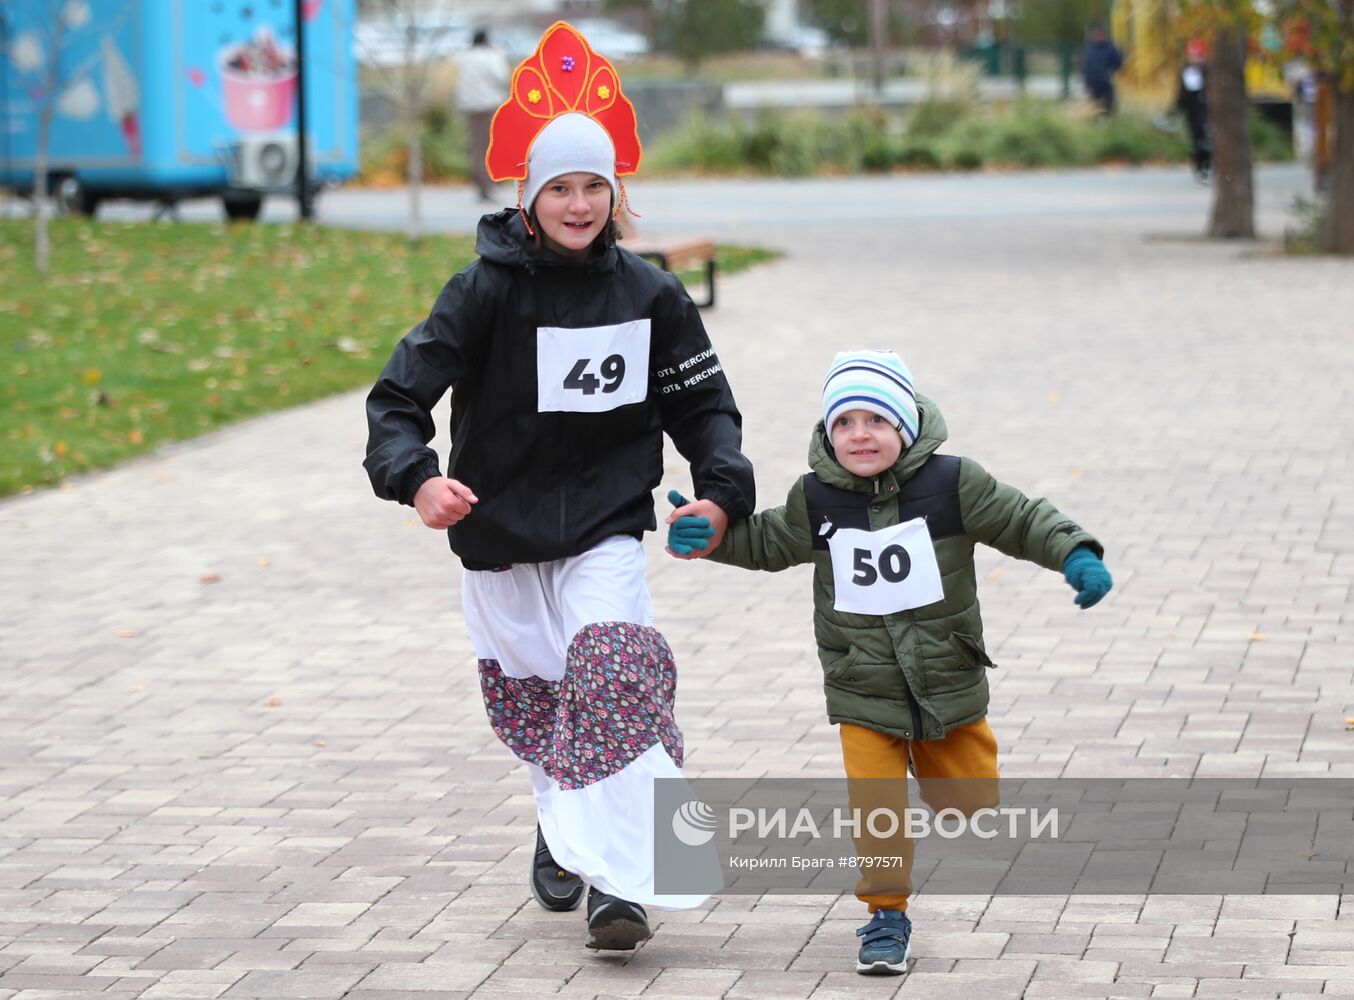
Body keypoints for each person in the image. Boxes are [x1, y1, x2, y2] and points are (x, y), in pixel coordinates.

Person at [365, 21, 755, 951]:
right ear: (528, 196)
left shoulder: (653, 297)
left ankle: (622, 890)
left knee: (614, 679)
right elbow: (397, 399)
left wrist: (721, 493)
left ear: (617, 197)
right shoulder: (483, 291)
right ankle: (562, 826)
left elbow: (707, 412)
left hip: (607, 529)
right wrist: (417, 480)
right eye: (560, 188)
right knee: (544, 707)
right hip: (500, 537)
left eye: (595, 188)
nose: (579, 205)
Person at [666, 349, 1112, 975]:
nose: (860, 435)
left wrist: (1075, 554)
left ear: (904, 426)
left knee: (968, 800)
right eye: (844, 423)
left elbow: (1022, 519)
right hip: (861, 683)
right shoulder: (815, 497)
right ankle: (886, 917)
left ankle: (947, 784)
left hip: (946, 675)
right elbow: (767, 541)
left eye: (875, 420)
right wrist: (710, 537)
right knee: (877, 806)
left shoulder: (955, 482)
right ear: (827, 433)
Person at [454, 29, 510, 201]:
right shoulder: (491, 57)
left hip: (471, 107)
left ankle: (480, 185)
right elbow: (502, 77)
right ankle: (491, 184)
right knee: (492, 145)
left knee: (476, 147)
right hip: (490, 105)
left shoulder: (464, 58)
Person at [1175, 39, 1211, 181]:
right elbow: (1182, 92)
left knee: (1207, 138)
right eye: (1193, 56)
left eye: (1198, 56)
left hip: (1207, 110)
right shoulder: (1187, 71)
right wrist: (1178, 108)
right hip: (1193, 111)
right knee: (1196, 139)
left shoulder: (1209, 71)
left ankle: (1207, 165)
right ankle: (1199, 167)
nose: (1195, 59)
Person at [1081, 22, 1124, 116]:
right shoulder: (1089, 48)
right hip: (1093, 84)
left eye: (1099, 33)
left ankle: (1110, 123)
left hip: (1106, 84)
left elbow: (1118, 63)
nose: (1097, 36)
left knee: (1108, 107)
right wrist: (1086, 82)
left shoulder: (1111, 48)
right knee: (1094, 109)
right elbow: (1085, 66)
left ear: (1104, 33)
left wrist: (1109, 73)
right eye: (1095, 34)